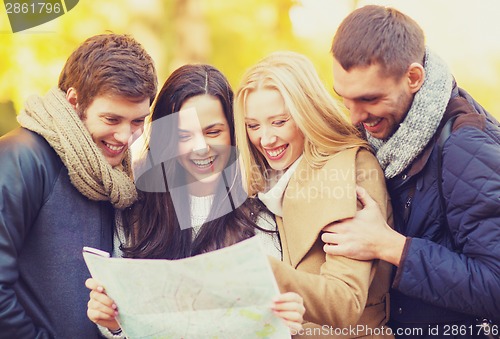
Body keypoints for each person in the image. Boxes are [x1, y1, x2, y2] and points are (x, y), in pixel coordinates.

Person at [85, 64, 305, 338]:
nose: (200, 147)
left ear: (233, 133)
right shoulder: (135, 210)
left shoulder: (260, 212)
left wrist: (289, 319)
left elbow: (272, 320)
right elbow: (119, 321)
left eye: (213, 132)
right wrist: (112, 324)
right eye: (184, 135)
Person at [322, 5, 500, 338]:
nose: (354, 118)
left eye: (369, 99)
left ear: (414, 78)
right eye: (344, 99)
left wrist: (390, 246)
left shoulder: (467, 146)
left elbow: (495, 284)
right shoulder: (385, 135)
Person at [0, 33, 157, 338]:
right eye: (112, 119)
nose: (126, 137)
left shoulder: (110, 175)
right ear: (74, 101)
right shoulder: (21, 159)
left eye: (138, 122)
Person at [234, 51, 394, 338]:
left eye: (280, 122)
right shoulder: (272, 178)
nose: (266, 139)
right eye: (253, 126)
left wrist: (260, 270)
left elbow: (344, 303)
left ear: (306, 113)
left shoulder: (350, 168)